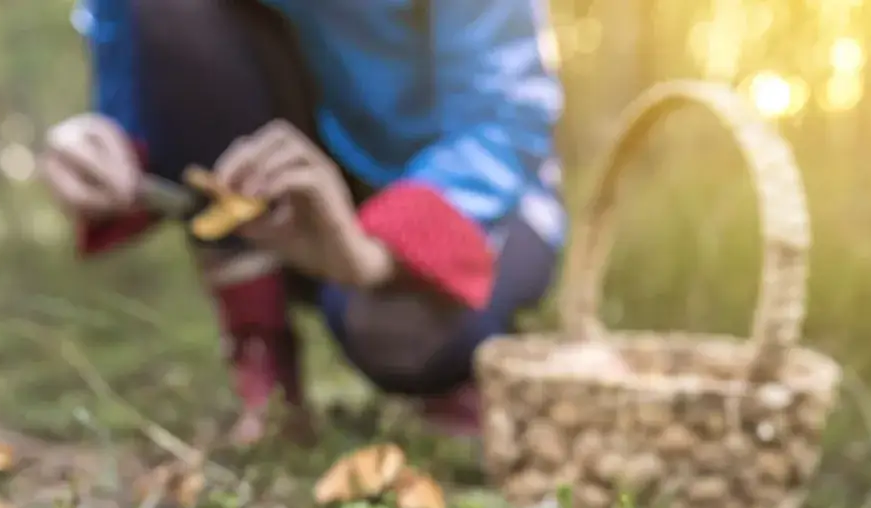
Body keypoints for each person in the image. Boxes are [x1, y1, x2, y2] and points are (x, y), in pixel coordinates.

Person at [40, 0, 566, 445]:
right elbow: (135, 69)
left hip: (471, 193)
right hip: (296, 210)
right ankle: (261, 350)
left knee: (393, 330)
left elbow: (503, 122)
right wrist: (108, 142)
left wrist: (376, 250)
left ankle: (452, 369)